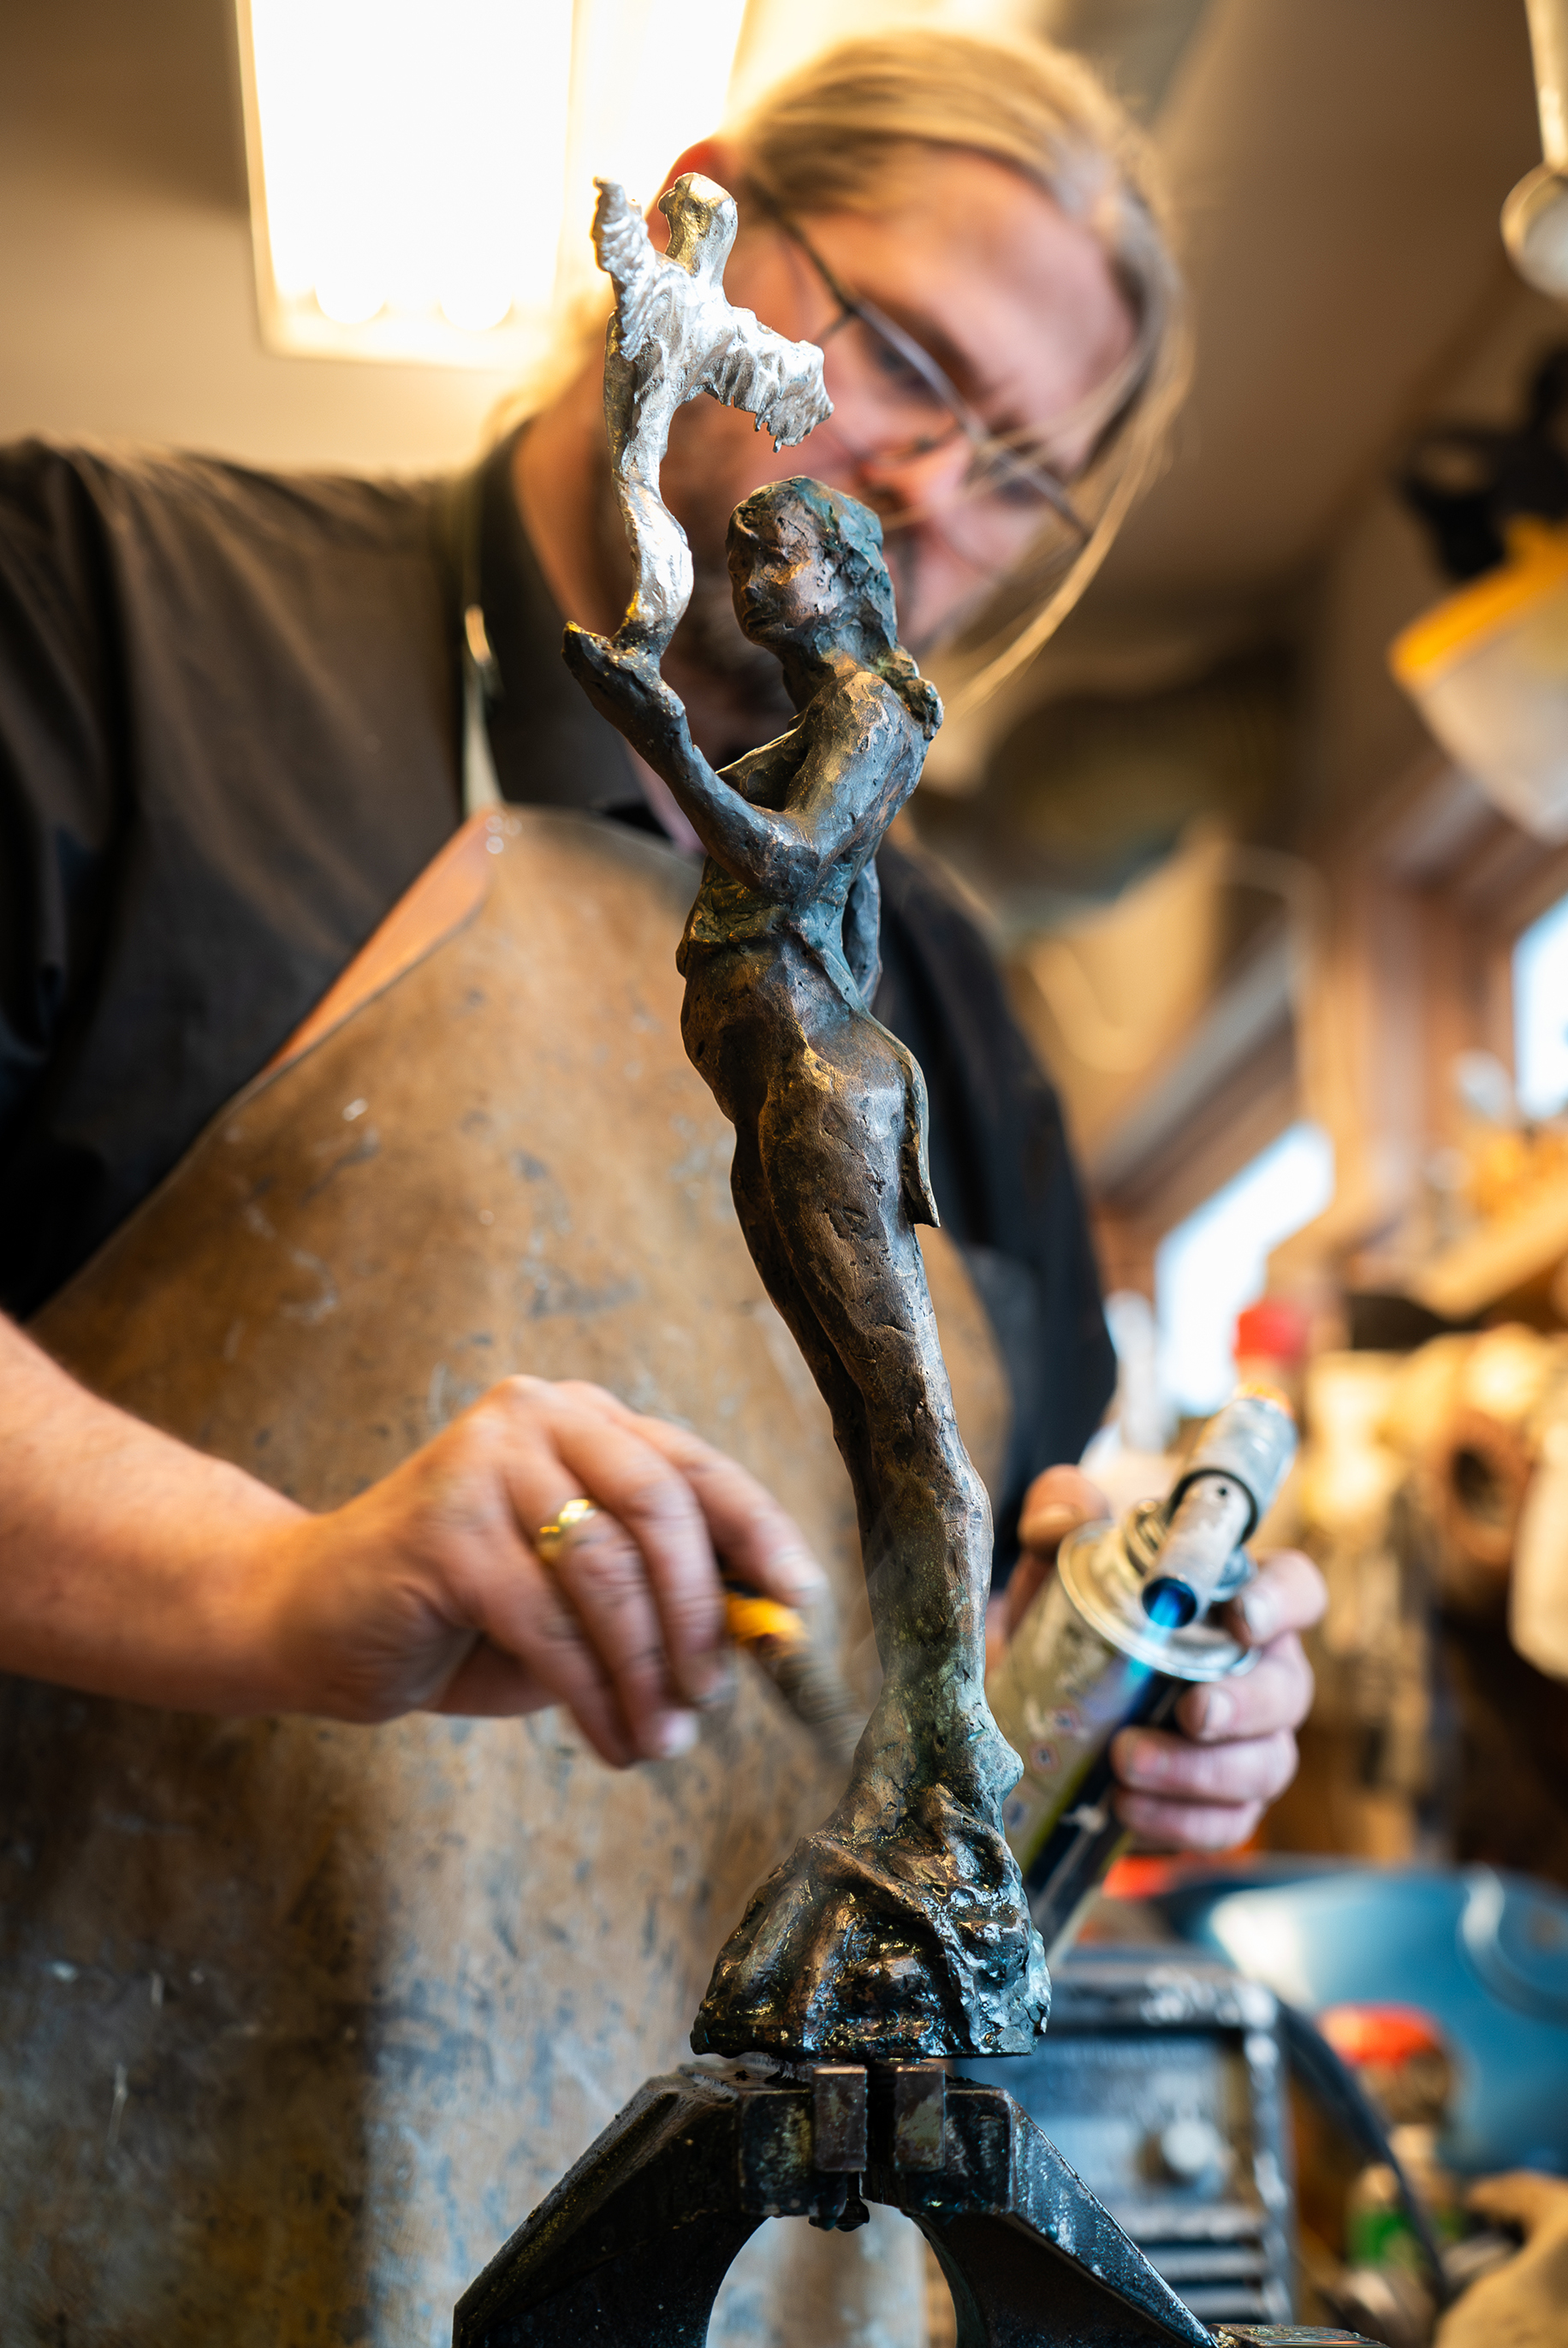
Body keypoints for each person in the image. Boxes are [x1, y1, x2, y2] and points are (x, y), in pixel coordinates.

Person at [0, 27, 1321, 1852]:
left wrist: (1142, 1684)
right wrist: (270, 1584)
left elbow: (1032, 1559)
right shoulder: (103, 614)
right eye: (912, 362)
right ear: (702, 227)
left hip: (727, 2124)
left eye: (1025, 475)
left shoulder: (945, 1000)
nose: (937, 488)